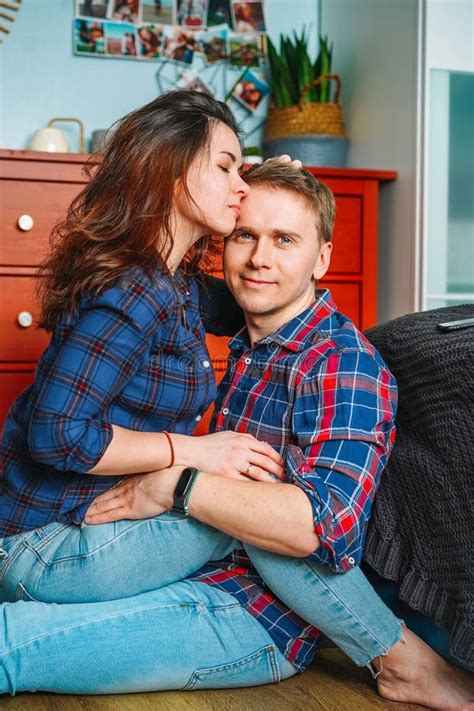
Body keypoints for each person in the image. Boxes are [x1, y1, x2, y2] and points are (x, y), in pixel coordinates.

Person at [1, 157, 471, 708]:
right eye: (245, 234)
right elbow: (152, 271)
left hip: (255, 614)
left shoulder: (341, 365)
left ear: (322, 259)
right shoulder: (250, 335)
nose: (259, 258)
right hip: (185, 557)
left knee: (17, 643)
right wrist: (229, 173)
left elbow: (324, 532)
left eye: (285, 239)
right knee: (25, 592)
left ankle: (406, 665)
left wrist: (178, 481)